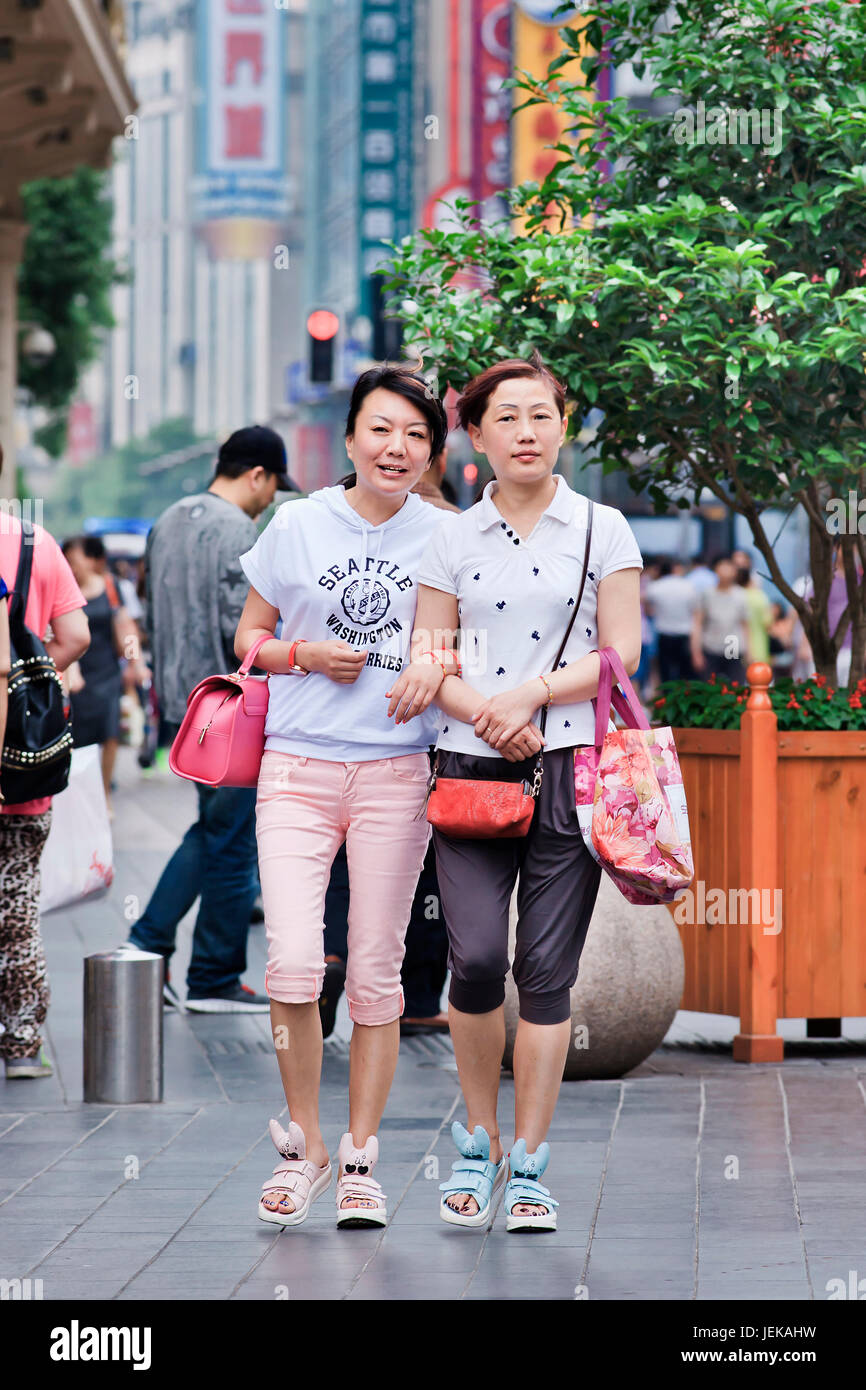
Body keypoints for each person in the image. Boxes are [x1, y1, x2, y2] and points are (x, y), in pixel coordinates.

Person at [386, 350, 643, 1232]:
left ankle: (529, 1164)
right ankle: (479, 1141)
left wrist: (528, 695)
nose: (526, 432)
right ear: (476, 437)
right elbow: (429, 653)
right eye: (506, 418)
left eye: (541, 414)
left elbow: (621, 656)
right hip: (466, 768)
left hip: (570, 764)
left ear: (563, 424)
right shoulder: (447, 536)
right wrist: (487, 716)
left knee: (544, 972)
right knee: (477, 962)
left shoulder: (603, 528)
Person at [234, 363, 448, 1229]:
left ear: (431, 451)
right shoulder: (296, 524)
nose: (397, 448)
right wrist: (305, 656)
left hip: (398, 771)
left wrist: (434, 667)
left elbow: (457, 641)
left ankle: (361, 1157)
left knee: (375, 974)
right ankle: (307, 1147)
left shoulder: (447, 535)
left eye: (416, 436)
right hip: (296, 767)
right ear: (350, 437)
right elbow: (248, 636)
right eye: (382, 430)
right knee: (290, 962)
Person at [126, 425, 295, 1013]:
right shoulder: (239, 531)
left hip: (182, 704)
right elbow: (241, 631)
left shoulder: (168, 519)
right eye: (270, 489)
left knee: (213, 829)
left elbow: (152, 612)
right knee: (229, 839)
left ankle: (149, 947)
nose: (268, 500)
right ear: (256, 476)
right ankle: (212, 975)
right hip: (229, 710)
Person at [0, 495, 90, 1079]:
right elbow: (75, 635)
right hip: (23, 769)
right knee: (17, 907)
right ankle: (23, 1041)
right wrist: (35, 676)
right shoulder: (33, 541)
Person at [61, 536, 141, 813]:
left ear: (92, 560)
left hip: (106, 673)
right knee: (77, 735)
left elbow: (127, 629)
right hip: (74, 674)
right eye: (67, 561)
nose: (71, 567)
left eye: (75, 560)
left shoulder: (111, 587)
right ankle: (76, 794)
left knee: (109, 734)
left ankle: (104, 791)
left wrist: (133, 664)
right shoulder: (63, 590)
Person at [690, 554, 750, 682]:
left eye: (729, 567)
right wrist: (696, 653)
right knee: (709, 688)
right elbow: (698, 623)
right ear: (715, 570)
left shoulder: (741, 595)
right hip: (711, 647)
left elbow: (745, 625)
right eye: (722, 567)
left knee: (734, 687)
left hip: (733, 646)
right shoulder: (707, 594)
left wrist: (749, 652)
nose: (726, 571)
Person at [644, 557, 698, 683]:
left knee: (666, 671)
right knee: (684, 672)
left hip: (664, 634)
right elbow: (695, 611)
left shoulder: (655, 587)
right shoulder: (688, 586)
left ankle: (666, 699)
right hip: (684, 633)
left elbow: (647, 608)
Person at [735, 556, 773, 664]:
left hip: (732, 648)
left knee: (730, 679)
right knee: (758, 680)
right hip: (758, 649)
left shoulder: (733, 597)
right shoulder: (760, 596)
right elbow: (768, 623)